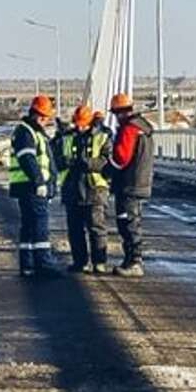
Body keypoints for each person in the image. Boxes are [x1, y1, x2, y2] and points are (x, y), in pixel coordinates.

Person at [7, 95, 62, 277]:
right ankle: (43, 264)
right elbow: (27, 158)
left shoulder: (32, 131)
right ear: (39, 116)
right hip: (32, 187)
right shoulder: (26, 132)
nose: (47, 122)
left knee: (29, 225)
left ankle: (28, 264)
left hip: (28, 186)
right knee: (40, 224)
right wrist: (39, 181)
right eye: (46, 118)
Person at [54, 104, 111, 274]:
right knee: (75, 230)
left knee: (97, 228)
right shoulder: (66, 138)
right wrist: (67, 162)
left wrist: (87, 163)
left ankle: (99, 263)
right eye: (77, 123)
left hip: (94, 189)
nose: (79, 127)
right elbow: (57, 159)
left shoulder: (102, 137)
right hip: (72, 189)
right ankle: (80, 262)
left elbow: (107, 160)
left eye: (83, 124)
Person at [107, 92, 156, 276]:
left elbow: (121, 157)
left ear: (119, 112)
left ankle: (134, 261)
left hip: (129, 183)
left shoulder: (129, 129)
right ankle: (130, 260)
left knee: (128, 222)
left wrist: (107, 165)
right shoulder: (143, 128)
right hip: (140, 181)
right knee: (130, 221)